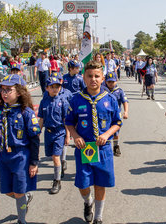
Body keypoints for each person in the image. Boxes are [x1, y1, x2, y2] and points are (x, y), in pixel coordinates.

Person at [65, 61, 122, 224]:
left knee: (100, 183)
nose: (93, 79)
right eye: (89, 76)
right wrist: (75, 136)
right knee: (83, 184)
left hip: (103, 149)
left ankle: (98, 216)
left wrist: (107, 134)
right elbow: (69, 121)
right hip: (85, 148)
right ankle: (87, 201)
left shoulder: (110, 99)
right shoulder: (76, 99)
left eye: (97, 76)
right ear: (83, 77)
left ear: (102, 78)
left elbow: (117, 122)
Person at [0, 74, 41, 224]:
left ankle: (21, 220)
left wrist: (34, 162)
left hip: (21, 156)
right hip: (4, 156)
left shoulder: (26, 113)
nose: (5, 93)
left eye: (9, 90)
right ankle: (25, 199)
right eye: (3, 90)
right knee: (7, 190)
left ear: (19, 92)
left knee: (19, 191)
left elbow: (34, 139)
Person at [38, 77, 70, 194]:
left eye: (57, 86)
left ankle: (57, 181)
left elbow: (66, 120)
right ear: (47, 88)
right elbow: (41, 119)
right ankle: (60, 166)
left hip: (59, 132)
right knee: (52, 156)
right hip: (48, 133)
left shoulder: (63, 101)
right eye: (52, 86)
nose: (55, 88)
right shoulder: (44, 101)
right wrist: (38, 132)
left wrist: (67, 135)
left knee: (56, 156)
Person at [105, 72, 129, 156]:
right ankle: (104, 148)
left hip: (116, 115)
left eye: (113, 81)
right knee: (104, 131)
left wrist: (126, 112)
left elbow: (125, 101)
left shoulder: (119, 91)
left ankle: (116, 146)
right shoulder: (102, 90)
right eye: (109, 82)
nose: (111, 84)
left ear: (116, 81)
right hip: (105, 115)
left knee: (116, 133)